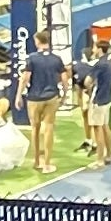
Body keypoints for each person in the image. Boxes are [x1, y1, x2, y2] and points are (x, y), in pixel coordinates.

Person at [24, 25, 67, 175]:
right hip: (51, 97)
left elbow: (25, 78)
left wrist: (18, 95)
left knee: (35, 128)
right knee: (48, 128)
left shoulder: (31, 59)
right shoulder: (56, 59)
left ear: (37, 42)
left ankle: (36, 161)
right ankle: (47, 164)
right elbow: (64, 78)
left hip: (34, 98)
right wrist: (65, 94)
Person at [80, 26, 111, 166]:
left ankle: (99, 160)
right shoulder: (110, 62)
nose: (93, 49)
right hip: (107, 99)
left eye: (94, 47)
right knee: (105, 126)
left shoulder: (99, 64)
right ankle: (108, 156)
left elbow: (88, 82)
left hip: (98, 100)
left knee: (97, 128)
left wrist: (87, 87)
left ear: (99, 49)